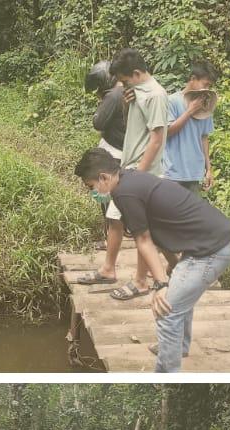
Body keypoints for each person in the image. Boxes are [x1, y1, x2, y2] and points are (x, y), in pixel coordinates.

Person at [73, 147, 230, 372]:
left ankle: (165, 375)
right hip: (209, 243)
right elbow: (156, 233)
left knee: (166, 311)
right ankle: (178, 346)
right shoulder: (129, 180)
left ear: (103, 177)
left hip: (213, 249)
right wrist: (172, 267)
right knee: (177, 298)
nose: (91, 192)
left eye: (90, 186)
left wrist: (161, 284)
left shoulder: (124, 193)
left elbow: (143, 240)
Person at [78, 48, 168, 300]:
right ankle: (109, 269)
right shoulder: (136, 93)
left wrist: (137, 176)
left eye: (124, 80)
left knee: (141, 229)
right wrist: (128, 107)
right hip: (128, 167)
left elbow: (157, 139)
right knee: (115, 217)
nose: (121, 85)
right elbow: (133, 130)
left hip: (142, 172)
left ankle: (141, 281)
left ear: (137, 73)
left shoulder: (156, 95)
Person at [78, 61, 128, 280]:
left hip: (114, 152)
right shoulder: (125, 91)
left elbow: (98, 122)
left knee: (109, 202)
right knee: (112, 202)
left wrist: (101, 106)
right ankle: (111, 238)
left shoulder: (114, 95)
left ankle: (110, 244)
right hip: (122, 150)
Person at [164, 60, 220, 196]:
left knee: (190, 215)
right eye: (205, 84)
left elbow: (204, 137)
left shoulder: (206, 104)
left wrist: (208, 169)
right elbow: (166, 132)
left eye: (209, 86)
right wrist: (190, 111)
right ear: (193, 79)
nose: (207, 89)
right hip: (172, 173)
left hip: (194, 173)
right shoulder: (172, 101)